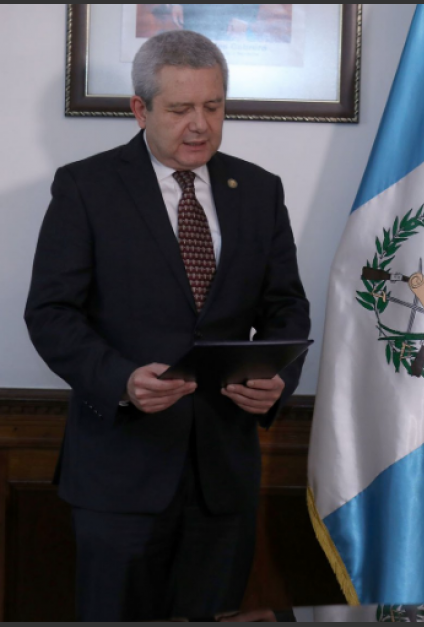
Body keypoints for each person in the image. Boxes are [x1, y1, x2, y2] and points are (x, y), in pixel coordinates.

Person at [24, 30, 310, 621]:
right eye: (181, 109)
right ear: (140, 109)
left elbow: (286, 307)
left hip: (222, 481)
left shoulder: (258, 190)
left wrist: (276, 380)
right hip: (120, 477)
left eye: (213, 106)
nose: (200, 124)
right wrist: (122, 380)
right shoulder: (86, 188)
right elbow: (50, 313)